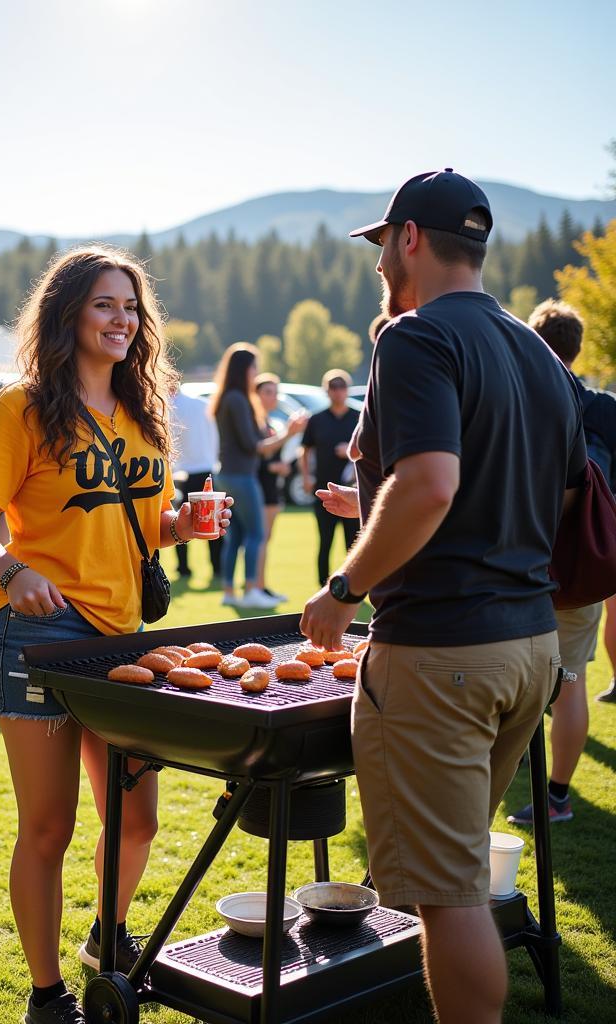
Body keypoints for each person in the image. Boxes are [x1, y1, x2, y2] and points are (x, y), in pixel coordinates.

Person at [301, 169, 584, 1024]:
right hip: (531, 648)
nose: (380, 262)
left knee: (448, 893)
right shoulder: (537, 350)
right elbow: (557, 492)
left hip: (442, 656)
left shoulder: (413, 336)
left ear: (410, 240)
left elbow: (429, 484)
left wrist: (346, 586)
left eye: (383, 243)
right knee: (456, 871)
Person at [0, 245, 232, 1024]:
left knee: (136, 819)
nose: (122, 319)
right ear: (68, 313)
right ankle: (47, 995)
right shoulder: (21, 408)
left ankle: (107, 935)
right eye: (106, 304)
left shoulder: (146, 410)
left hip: (123, 638)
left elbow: (137, 521)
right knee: (48, 826)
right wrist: (10, 573)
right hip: (36, 637)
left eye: (132, 307)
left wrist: (182, 524)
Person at [502, 300, 616, 824]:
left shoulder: (527, 399)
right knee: (570, 682)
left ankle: (512, 770)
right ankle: (557, 797)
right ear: (576, 344)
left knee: (506, 674)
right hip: (586, 567)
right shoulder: (606, 408)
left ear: (536, 342)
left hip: (521, 564)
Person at [211, 343, 304, 608]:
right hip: (240, 476)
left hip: (228, 474)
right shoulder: (237, 399)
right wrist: (290, 433)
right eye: (254, 367)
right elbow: (256, 448)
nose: (256, 372)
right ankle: (251, 589)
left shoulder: (229, 397)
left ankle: (230, 592)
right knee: (256, 533)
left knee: (237, 535)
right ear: (244, 368)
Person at [298, 368, 361, 585]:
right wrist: (306, 476)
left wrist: (352, 450)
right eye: (333, 387)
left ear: (347, 389)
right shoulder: (317, 419)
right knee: (325, 541)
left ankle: (352, 585)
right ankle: (323, 586)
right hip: (324, 489)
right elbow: (305, 450)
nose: (337, 391)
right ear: (327, 391)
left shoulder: (359, 416)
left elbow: (373, 450)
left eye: (341, 386)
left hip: (353, 489)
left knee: (353, 542)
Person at [253, 373, 298, 602]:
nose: (273, 396)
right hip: (258, 488)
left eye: (275, 391)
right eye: (268, 391)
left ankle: (261, 585)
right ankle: (256, 587)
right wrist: (288, 434)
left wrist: (283, 467)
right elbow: (259, 456)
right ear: (256, 394)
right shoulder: (254, 422)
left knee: (266, 538)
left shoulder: (270, 422)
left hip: (272, 489)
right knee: (259, 538)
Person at [170, 385, 222, 580]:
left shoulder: (171, 406)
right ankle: (217, 567)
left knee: (179, 521)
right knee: (212, 522)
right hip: (208, 469)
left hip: (183, 472)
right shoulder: (203, 404)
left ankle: (183, 567)